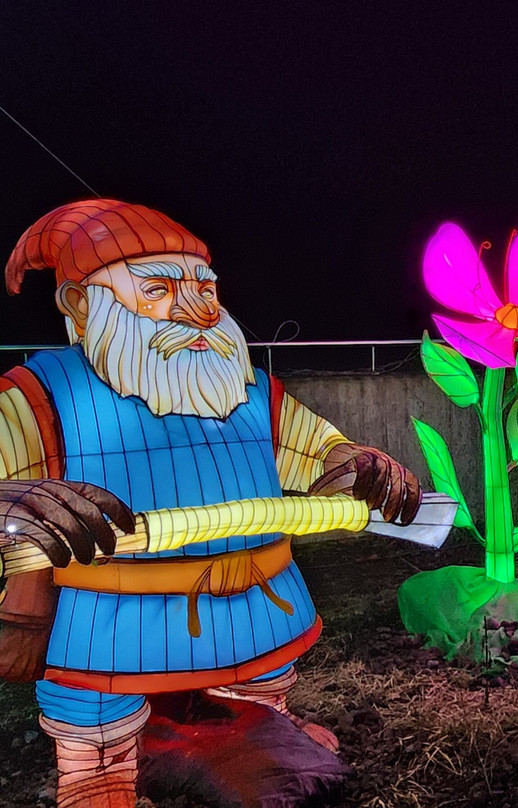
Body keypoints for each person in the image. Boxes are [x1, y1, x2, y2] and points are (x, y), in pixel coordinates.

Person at [0, 199, 422, 808]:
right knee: (98, 709)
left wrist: (356, 464)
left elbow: (315, 450)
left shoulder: (248, 388)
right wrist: (15, 500)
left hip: (259, 599)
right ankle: (99, 772)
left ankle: (261, 727)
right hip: (114, 615)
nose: (200, 311)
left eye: (205, 288)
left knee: (263, 681)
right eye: (158, 290)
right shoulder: (39, 397)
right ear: (81, 305)